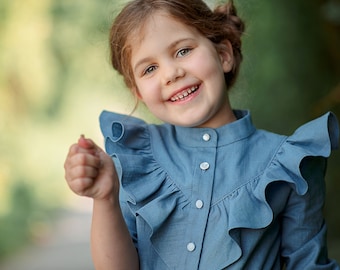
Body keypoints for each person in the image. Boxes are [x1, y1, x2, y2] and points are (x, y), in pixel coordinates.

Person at [64, 0, 340, 269]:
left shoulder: (287, 163)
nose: (171, 74)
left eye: (183, 51)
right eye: (149, 69)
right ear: (139, 93)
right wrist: (104, 198)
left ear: (223, 55)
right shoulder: (136, 160)